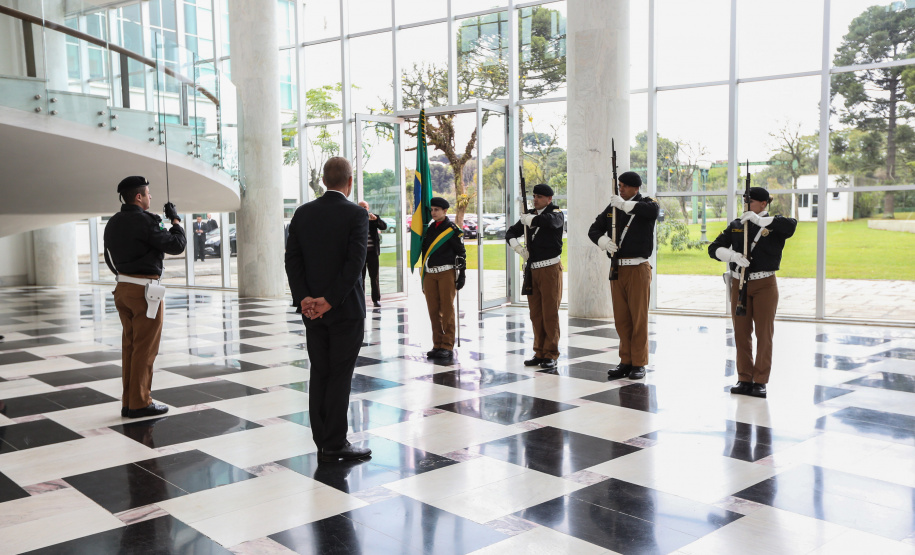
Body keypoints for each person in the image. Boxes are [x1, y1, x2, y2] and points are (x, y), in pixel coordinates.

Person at [285, 157, 372, 463]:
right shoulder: (356, 215)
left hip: (312, 312)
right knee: (339, 376)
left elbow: (292, 260)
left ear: (323, 181)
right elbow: (354, 264)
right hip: (345, 311)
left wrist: (305, 298)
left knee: (320, 372)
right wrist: (331, 300)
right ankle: (335, 442)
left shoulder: (303, 213)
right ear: (350, 182)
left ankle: (322, 439)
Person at [103, 176, 186, 418]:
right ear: (138, 196)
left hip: (123, 289)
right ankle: (140, 403)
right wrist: (175, 220)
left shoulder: (113, 223)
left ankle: (129, 401)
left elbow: (109, 257)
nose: (151, 197)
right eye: (148, 193)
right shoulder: (147, 222)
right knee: (144, 349)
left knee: (129, 347)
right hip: (145, 293)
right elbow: (176, 244)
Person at [709, 186, 797, 399]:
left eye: (750, 201)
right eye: (744, 200)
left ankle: (760, 380)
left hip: (764, 284)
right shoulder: (738, 225)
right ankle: (744, 377)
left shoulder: (774, 225)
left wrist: (759, 221)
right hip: (740, 284)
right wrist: (732, 256)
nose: (745, 204)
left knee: (764, 334)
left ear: (763, 204)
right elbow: (714, 248)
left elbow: (791, 226)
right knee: (741, 333)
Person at [588, 171, 659, 380]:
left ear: (635, 188)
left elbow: (652, 212)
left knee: (639, 319)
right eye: (619, 186)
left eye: (624, 186)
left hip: (638, 269)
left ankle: (639, 363)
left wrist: (622, 205)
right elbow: (594, 229)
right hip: (617, 268)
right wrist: (604, 242)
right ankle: (625, 360)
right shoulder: (614, 206)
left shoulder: (646, 203)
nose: (620, 189)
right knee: (622, 319)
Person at [505, 184, 565, 369]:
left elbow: (551, 222)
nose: (535, 199)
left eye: (539, 197)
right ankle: (539, 351)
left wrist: (530, 219)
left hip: (550, 269)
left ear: (549, 199)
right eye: (534, 196)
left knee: (550, 313)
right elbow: (510, 233)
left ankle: (551, 354)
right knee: (536, 313)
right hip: (532, 268)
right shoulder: (530, 215)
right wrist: (519, 249)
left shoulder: (556, 212)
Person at [421, 197, 466, 360]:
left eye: (436, 210)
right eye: (432, 210)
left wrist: (462, 275)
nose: (433, 213)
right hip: (430, 273)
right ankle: (437, 343)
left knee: (447, 309)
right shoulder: (431, 228)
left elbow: (461, 253)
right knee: (433, 310)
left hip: (447, 272)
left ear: (445, 211)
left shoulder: (451, 229)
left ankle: (447, 345)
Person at [358, 201, 388, 307]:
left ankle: (376, 300)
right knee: (360, 277)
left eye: (365, 207)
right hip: (360, 254)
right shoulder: (355, 219)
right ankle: (361, 300)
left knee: (374, 277)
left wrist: (377, 220)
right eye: (360, 207)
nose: (363, 209)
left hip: (373, 253)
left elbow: (384, 226)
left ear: (368, 208)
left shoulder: (374, 218)